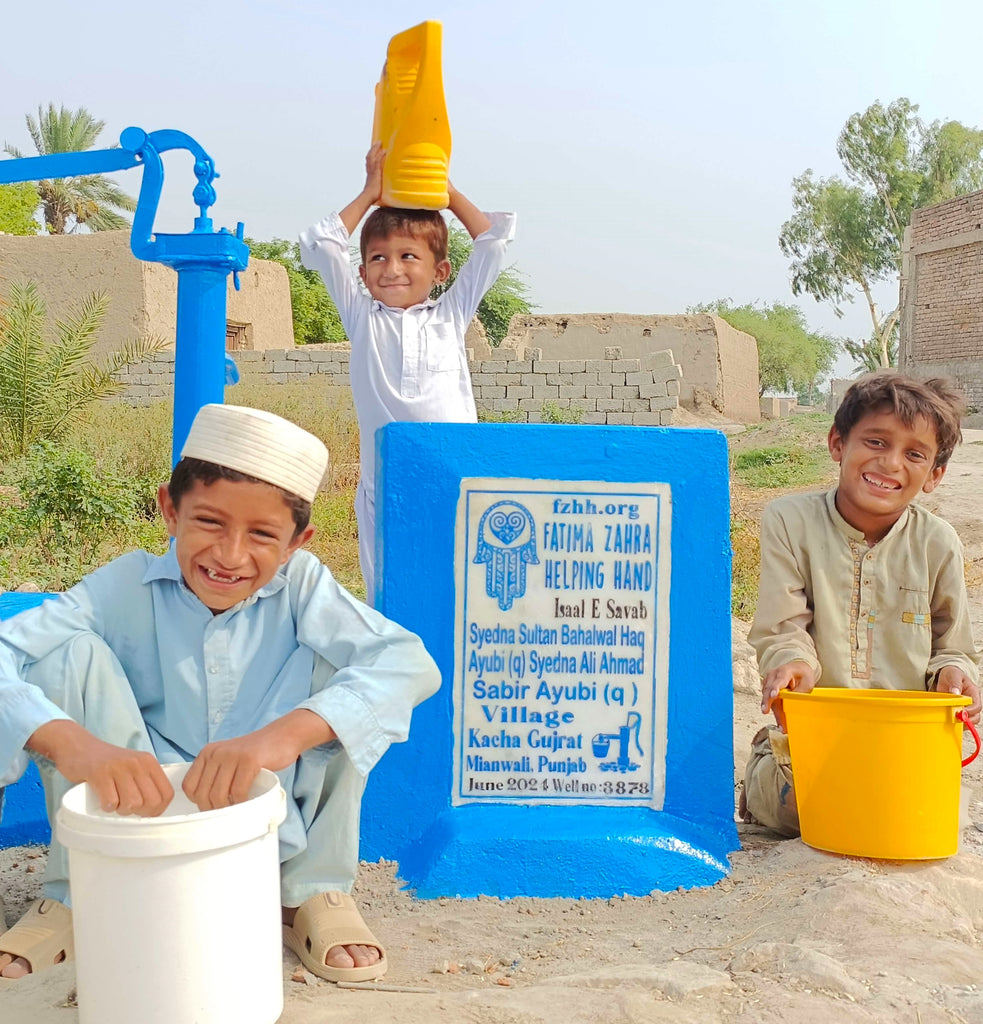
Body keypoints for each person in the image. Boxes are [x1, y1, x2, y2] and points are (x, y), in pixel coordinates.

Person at [0, 403, 440, 982]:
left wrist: (279, 739)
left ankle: (310, 890)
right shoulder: (122, 586)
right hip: (139, 802)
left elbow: (408, 662)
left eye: (262, 534)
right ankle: (76, 891)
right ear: (169, 510)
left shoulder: (304, 589)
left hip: (268, 802)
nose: (230, 556)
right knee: (60, 654)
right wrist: (74, 745)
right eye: (208, 522)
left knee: (349, 671)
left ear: (297, 542)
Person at [742, 371, 982, 835]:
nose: (891, 463)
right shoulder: (790, 522)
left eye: (914, 454)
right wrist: (793, 664)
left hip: (904, 744)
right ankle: (765, 768)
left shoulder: (939, 542)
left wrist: (955, 675)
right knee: (800, 815)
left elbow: (953, 646)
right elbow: (782, 627)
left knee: (913, 819)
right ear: (838, 444)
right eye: (875, 442)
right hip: (819, 738)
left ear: (935, 475)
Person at [300, 142, 516, 603]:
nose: (391, 269)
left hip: (454, 473)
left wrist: (448, 193)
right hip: (386, 482)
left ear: (440, 271)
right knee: (390, 592)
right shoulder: (361, 317)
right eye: (378, 258)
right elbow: (320, 244)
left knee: (459, 586)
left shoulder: (450, 315)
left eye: (408, 257)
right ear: (361, 271)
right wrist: (369, 192)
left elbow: (494, 244)